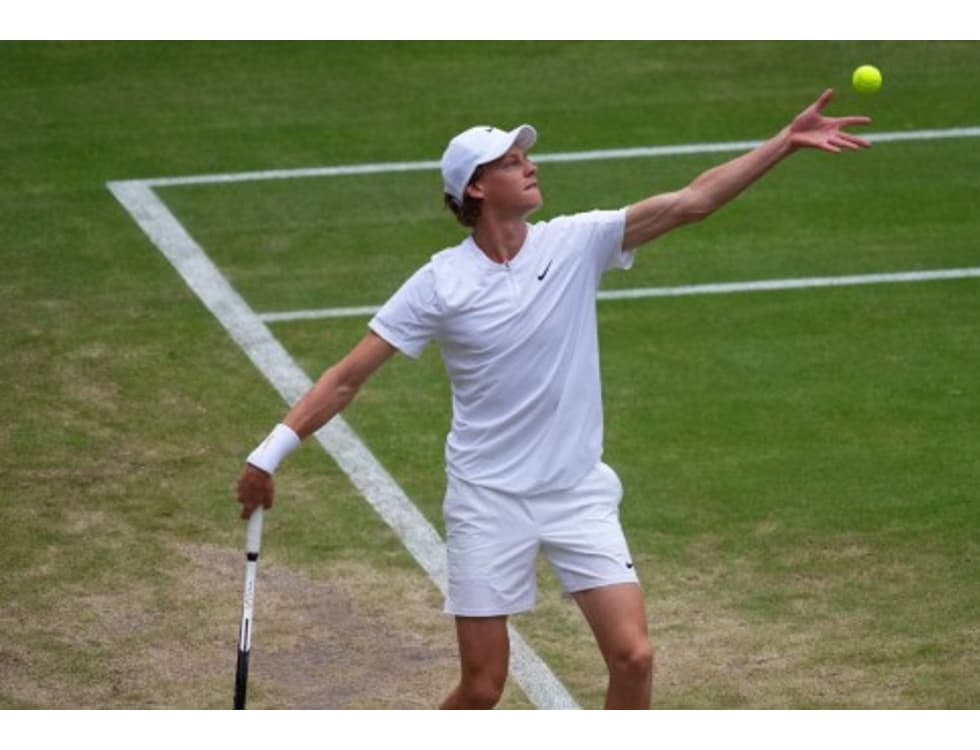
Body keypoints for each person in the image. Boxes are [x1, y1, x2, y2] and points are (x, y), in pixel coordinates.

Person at [235, 89, 871, 709]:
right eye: (512, 162)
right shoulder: (440, 283)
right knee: (483, 688)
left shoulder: (576, 241)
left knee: (635, 658)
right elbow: (347, 377)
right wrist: (268, 455)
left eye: (525, 157)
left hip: (576, 492)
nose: (530, 165)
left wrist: (784, 144)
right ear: (476, 189)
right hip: (487, 499)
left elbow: (692, 202)